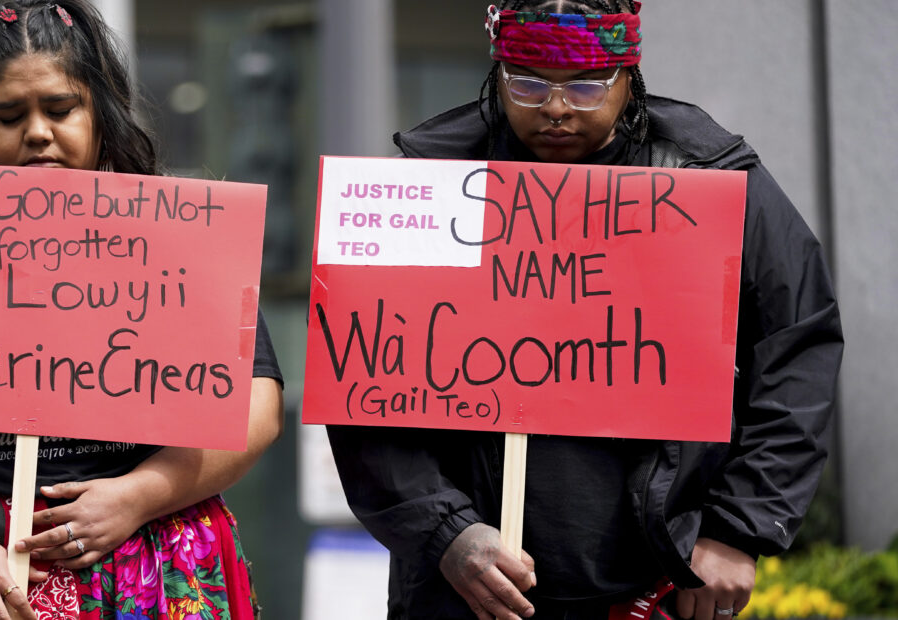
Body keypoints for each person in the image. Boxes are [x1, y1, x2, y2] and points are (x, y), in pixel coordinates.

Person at [325, 2, 843, 620]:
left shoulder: (709, 176)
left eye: (588, 85)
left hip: (658, 586)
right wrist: (446, 533)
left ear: (631, 78)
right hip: (463, 590)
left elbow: (797, 349)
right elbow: (368, 386)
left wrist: (735, 530)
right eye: (528, 82)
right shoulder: (433, 180)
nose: (556, 107)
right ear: (497, 70)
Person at [0, 1, 285, 618]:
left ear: (101, 110)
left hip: (148, 566)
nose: (37, 132)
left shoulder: (180, 234)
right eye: (7, 115)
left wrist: (137, 496)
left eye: (60, 109)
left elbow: (255, 406)